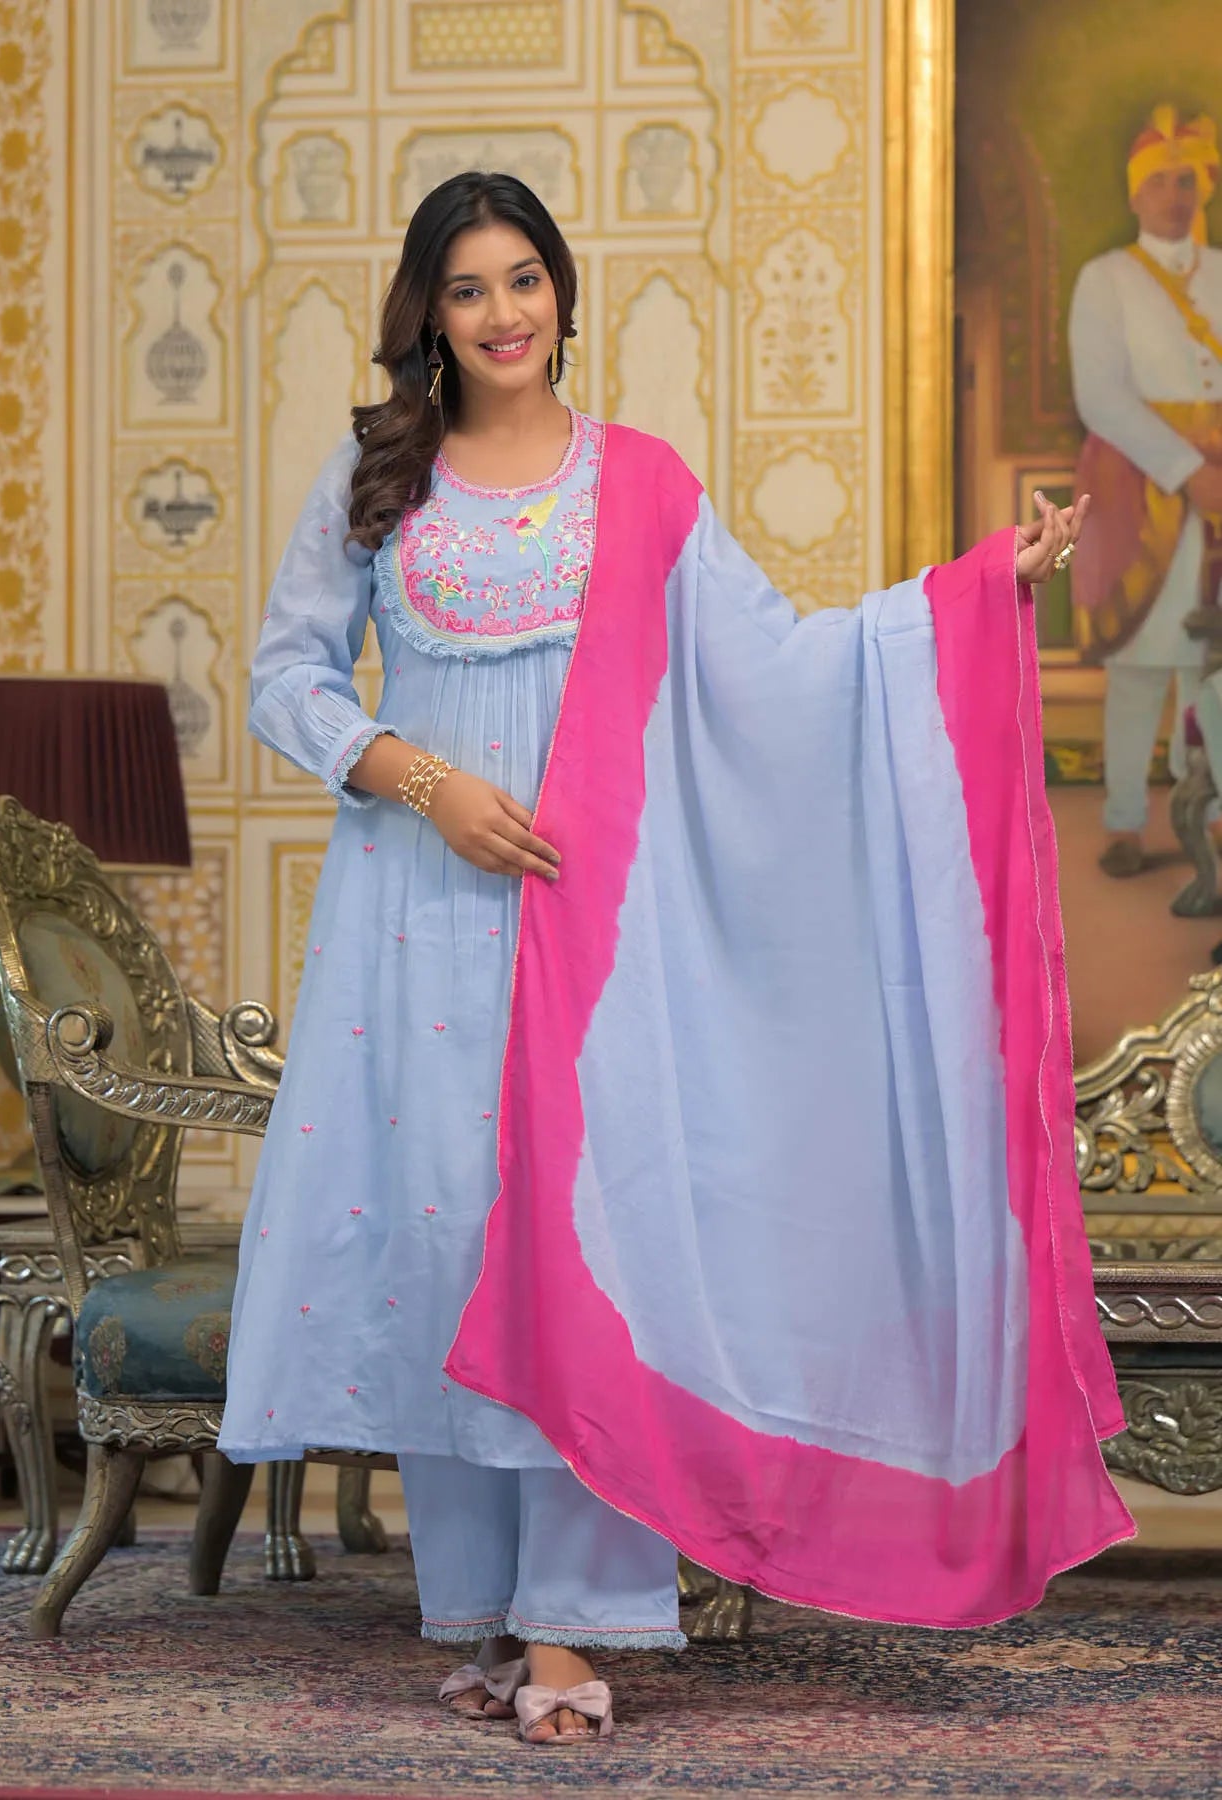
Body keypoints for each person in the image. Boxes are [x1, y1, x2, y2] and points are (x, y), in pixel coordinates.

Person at [219, 171, 1132, 1745]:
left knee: (593, 1245)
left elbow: (778, 659)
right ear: (427, 316)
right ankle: (493, 1615)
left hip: (600, 921)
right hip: (414, 921)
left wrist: (986, 593)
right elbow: (283, 676)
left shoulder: (636, 485)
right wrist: (424, 783)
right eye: (468, 288)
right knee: (451, 1245)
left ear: (565, 296)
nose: (504, 314)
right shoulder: (383, 482)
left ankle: (581, 1627)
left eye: (525, 280)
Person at [1068, 105, 1222, 878]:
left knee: (1215, 667)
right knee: (1138, 665)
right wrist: (1187, 470)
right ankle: (1126, 819)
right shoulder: (1106, 281)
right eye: (1159, 182)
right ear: (1135, 195)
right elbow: (1101, 397)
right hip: (1139, 485)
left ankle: (1219, 815)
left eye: (1186, 179)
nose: (1175, 194)